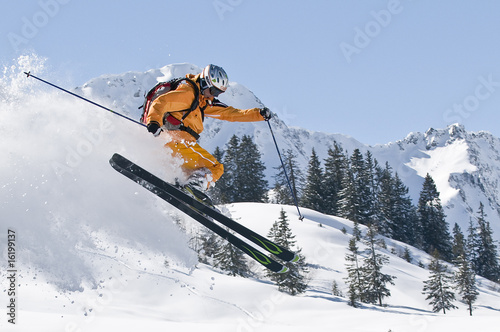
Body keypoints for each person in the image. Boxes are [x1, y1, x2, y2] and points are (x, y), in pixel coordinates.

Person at [145, 64, 271, 195]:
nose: (214, 96)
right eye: (213, 91)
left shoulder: (202, 101)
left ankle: (185, 193)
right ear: (205, 82)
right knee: (215, 168)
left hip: (177, 145)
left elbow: (231, 113)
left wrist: (259, 114)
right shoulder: (188, 93)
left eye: (218, 93)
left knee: (192, 172)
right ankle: (192, 189)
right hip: (177, 142)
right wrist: (154, 121)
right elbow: (161, 102)